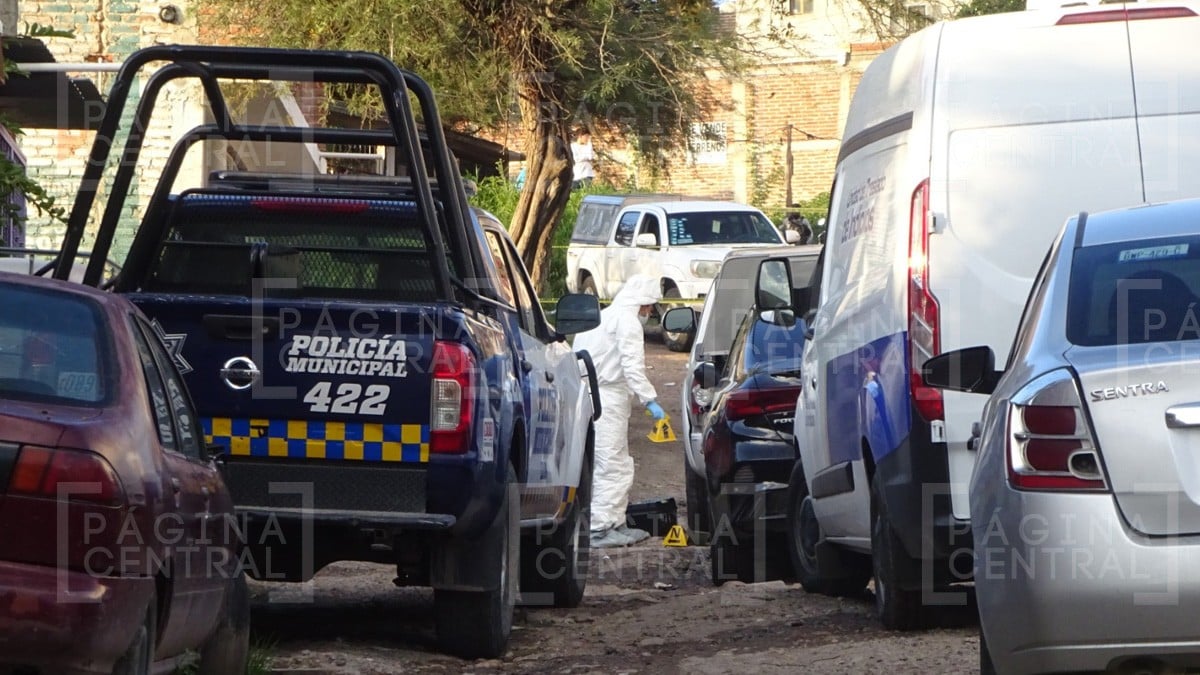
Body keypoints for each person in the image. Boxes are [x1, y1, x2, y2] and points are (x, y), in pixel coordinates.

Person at [572, 274, 665, 548]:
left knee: (609, 462)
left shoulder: (604, 316)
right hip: (607, 398)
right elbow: (632, 367)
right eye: (649, 307)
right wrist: (650, 400)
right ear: (642, 303)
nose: (649, 313)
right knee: (612, 465)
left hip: (590, 394)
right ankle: (601, 528)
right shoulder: (627, 322)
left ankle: (614, 522)